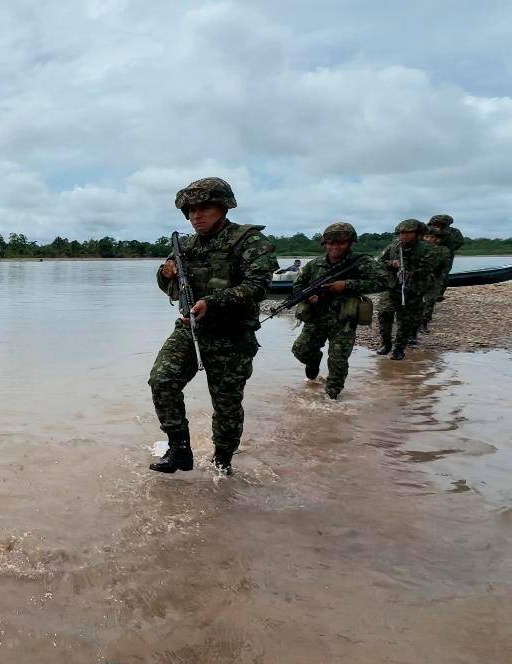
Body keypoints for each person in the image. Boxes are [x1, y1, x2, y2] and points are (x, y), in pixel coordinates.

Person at [148, 177, 277, 476]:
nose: (196, 215)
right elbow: (166, 285)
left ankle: (223, 462)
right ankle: (179, 450)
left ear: (223, 207)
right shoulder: (186, 245)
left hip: (232, 336)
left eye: (204, 208)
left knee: (227, 405)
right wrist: (165, 273)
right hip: (190, 329)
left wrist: (213, 302)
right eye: (191, 210)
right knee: (162, 380)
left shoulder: (249, 242)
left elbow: (258, 287)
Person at [289, 223, 387, 399]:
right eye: (331, 243)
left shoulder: (361, 262)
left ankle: (332, 398)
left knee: (338, 360)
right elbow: (298, 285)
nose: (335, 247)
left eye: (341, 243)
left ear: (350, 243)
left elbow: (384, 281)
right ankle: (314, 362)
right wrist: (306, 297)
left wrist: (347, 285)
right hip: (317, 316)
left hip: (344, 318)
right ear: (325, 244)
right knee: (300, 350)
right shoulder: (315, 264)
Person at [376, 219, 441, 360]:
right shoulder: (393, 247)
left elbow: (430, 268)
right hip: (392, 286)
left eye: (407, 233)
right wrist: (391, 263)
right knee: (384, 313)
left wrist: (413, 272)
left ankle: (399, 348)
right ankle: (386, 343)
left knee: (405, 320)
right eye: (401, 233)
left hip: (413, 289)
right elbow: (379, 263)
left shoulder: (427, 249)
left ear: (417, 233)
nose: (403, 235)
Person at [420, 226, 451, 333]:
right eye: (426, 236)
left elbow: (444, 267)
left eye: (431, 237)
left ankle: (424, 324)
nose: (428, 239)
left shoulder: (443, 250)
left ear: (437, 239)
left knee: (429, 302)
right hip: (417, 280)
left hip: (434, 280)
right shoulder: (416, 249)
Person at [426, 213, 464, 302]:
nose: (437, 225)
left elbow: (458, 243)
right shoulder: (426, 230)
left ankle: (438, 294)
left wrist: (443, 239)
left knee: (443, 274)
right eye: (435, 223)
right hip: (427, 255)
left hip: (445, 257)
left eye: (440, 224)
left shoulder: (453, 232)